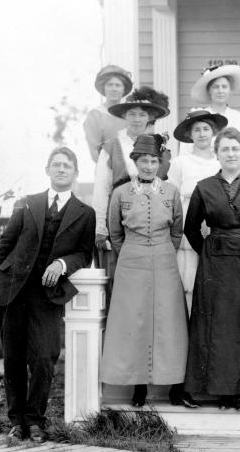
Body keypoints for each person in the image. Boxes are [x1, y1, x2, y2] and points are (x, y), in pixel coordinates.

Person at [0, 148, 95, 443]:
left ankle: (35, 420)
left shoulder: (85, 213)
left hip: (48, 295)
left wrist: (62, 264)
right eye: (56, 165)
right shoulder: (27, 203)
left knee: (45, 357)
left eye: (67, 166)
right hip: (12, 290)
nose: (61, 170)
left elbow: (84, 254)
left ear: (75, 173)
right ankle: (16, 421)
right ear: (47, 169)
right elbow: (5, 244)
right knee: (14, 358)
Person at [183, 127, 240, 411]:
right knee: (219, 324)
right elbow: (190, 228)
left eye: (236, 148)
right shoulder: (205, 186)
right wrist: (210, 252)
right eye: (225, 149)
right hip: (216, 260)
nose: (231, 153)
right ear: (217, 154)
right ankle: (221, 391)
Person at [100, 134, 191, 408]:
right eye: (143, 161)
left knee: (168, 321)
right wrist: (133, 251)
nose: (149, 166)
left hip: (164, 259)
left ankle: (175, 385)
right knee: (134, 321)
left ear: (160, 163)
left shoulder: (171, 192)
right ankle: (138, 387)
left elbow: (177, 230)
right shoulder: (120, 193)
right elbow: (115, 233)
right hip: (131, 260)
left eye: (153, 160)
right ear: (135, 162)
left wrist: (162, 251)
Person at [92, 86, 170, 283]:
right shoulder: (112, 145)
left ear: (150, 117)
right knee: (120, 274)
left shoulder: (161, 148)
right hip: (120, 217)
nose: (137, 119)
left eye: (142, 114)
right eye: (132, 114)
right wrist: (100, 226)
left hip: (153, 219)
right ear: (124, 116)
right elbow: (101, 187)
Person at [169, 109, 228, 312]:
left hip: (215, 225)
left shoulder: (220, 162)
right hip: (188, 224)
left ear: (213, 133)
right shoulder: (180, 163)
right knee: (188, 279)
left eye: (206, 129)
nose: (202, 134)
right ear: (189, 135)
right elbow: (172, 198)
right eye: (197, 130)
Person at [83, 65, 132, 164]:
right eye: (110, 85)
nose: (114, 89)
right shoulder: (95, 115)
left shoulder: (130, 114)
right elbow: (95, 151)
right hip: (107, 170)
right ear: (103, 88)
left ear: (124, 89)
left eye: (118, 85)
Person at [190, 63, 240, 130]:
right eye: (216, 87)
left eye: (224, 87)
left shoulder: (239, 117)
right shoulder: (201, 116)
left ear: (229, 90)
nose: (220, 91)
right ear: (209, 91)